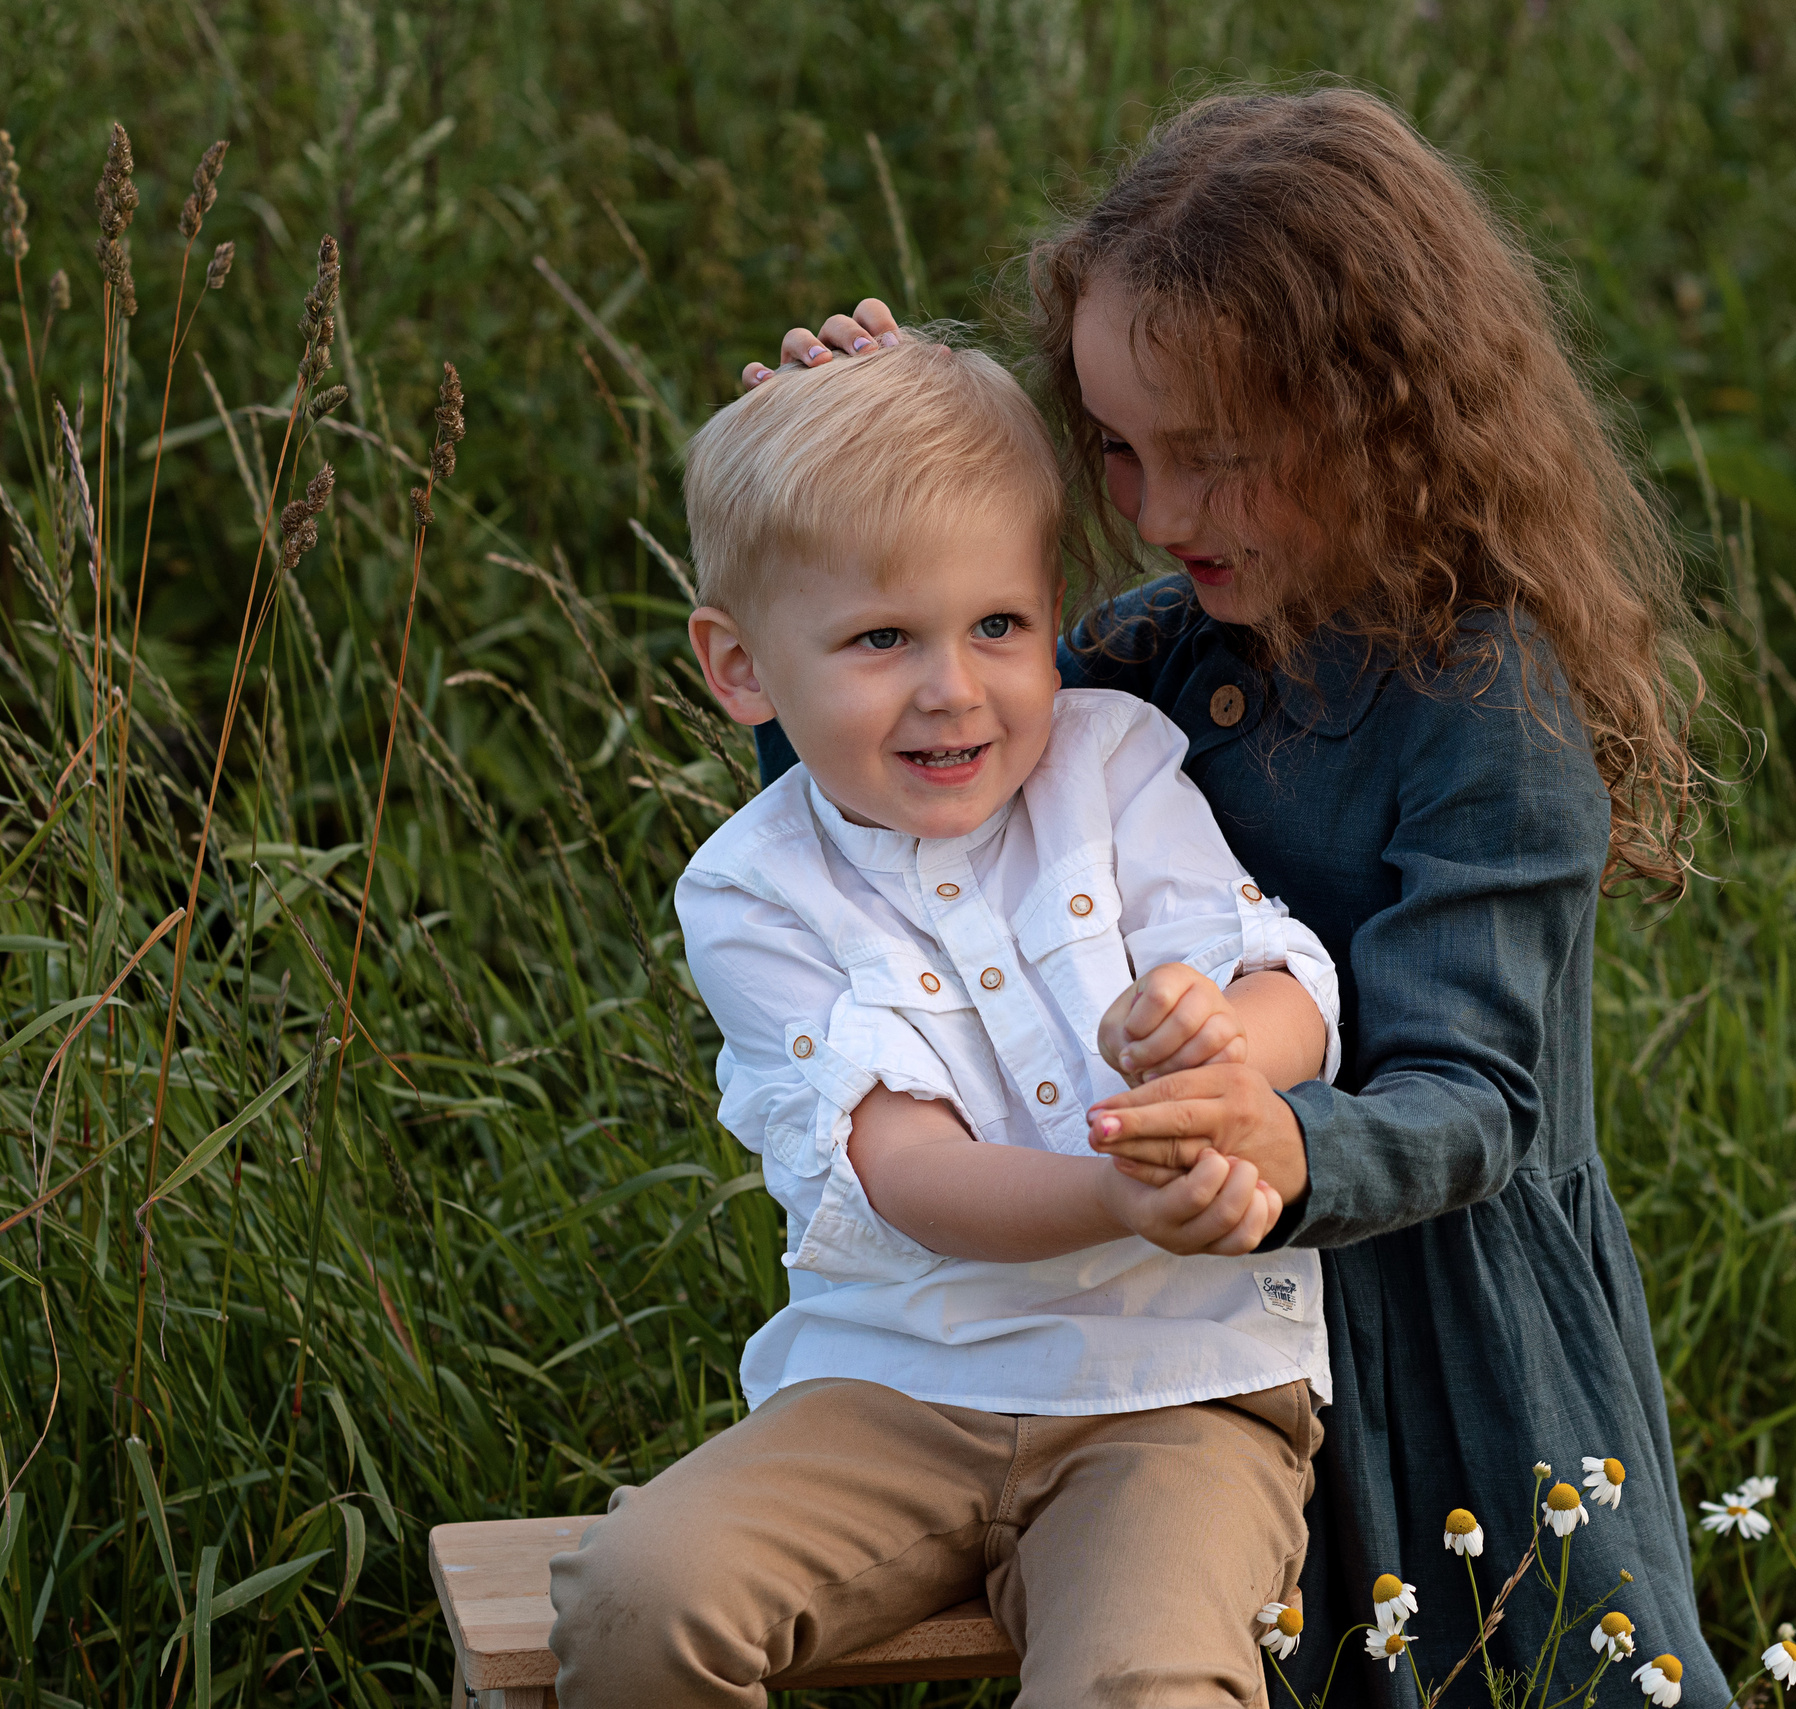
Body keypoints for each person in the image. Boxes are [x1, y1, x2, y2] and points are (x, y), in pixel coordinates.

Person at [749, 88, 1733, 1708]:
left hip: (1443, 1333)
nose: (1159, 511)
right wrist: (842, 534)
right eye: (1121, 451)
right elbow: (916, 822)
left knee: (1498, 1666)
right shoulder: (1158, 647)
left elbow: (1475, 1098)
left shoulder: (1487, 712)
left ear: (1383, 427)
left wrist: (1295, 1143)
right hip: (1177, 1329)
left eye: (1214, 458)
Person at [546, 334, 1350, 1706]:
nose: (952, 689)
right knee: (639, 1596)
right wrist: (1120, 1191)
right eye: (879, 639)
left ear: (1053, 614)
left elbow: (1287, 981)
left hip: (1175, 1392)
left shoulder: (1115, 762)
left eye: (999, 625)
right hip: (892, 1391)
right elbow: (905, 1171)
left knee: (1146, 1685)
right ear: (740, 668)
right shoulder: (752, 890)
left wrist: (1220, 1044)